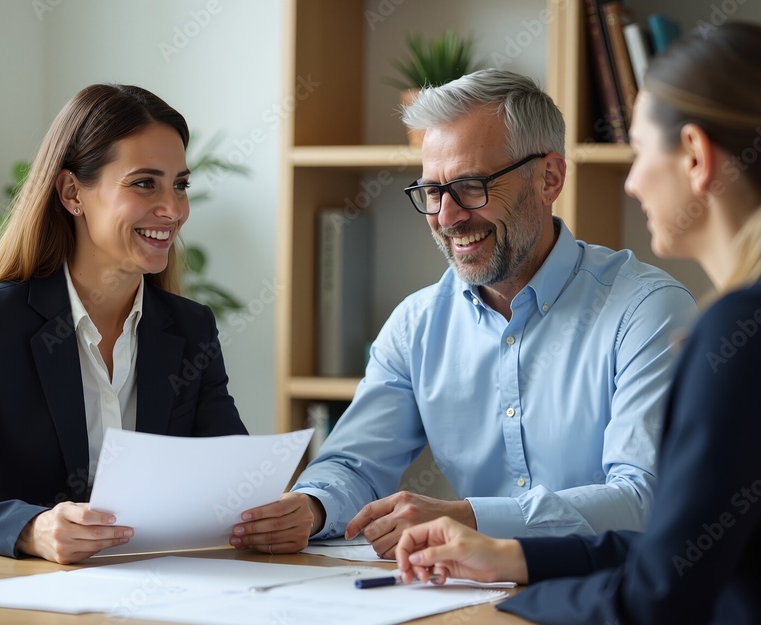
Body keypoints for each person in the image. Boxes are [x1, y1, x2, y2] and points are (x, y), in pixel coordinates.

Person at [396, 22, 761, 625]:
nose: (631, 180)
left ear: (696, 157)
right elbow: (683, 550)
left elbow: (658, 595)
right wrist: (515, 557)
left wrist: (513, 606)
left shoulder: (745, 330)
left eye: (643, 150)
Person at [230, 69, 698, 556]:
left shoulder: (647, 312)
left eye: (472, 186)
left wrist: (469, 516)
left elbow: (643, 500)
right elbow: (353, 465)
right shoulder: (417, 325)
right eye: (433, 192)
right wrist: (311, 508)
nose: (448, 218)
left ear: (549, 178)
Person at [0, 84, 248, 564]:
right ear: (73, 193)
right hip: (24, 599)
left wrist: (278, 512)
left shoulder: (191, 329)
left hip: (158, 591)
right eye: (144, 183)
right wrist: (31, 529)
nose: (173, 209)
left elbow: (232, 477)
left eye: (180, 184)